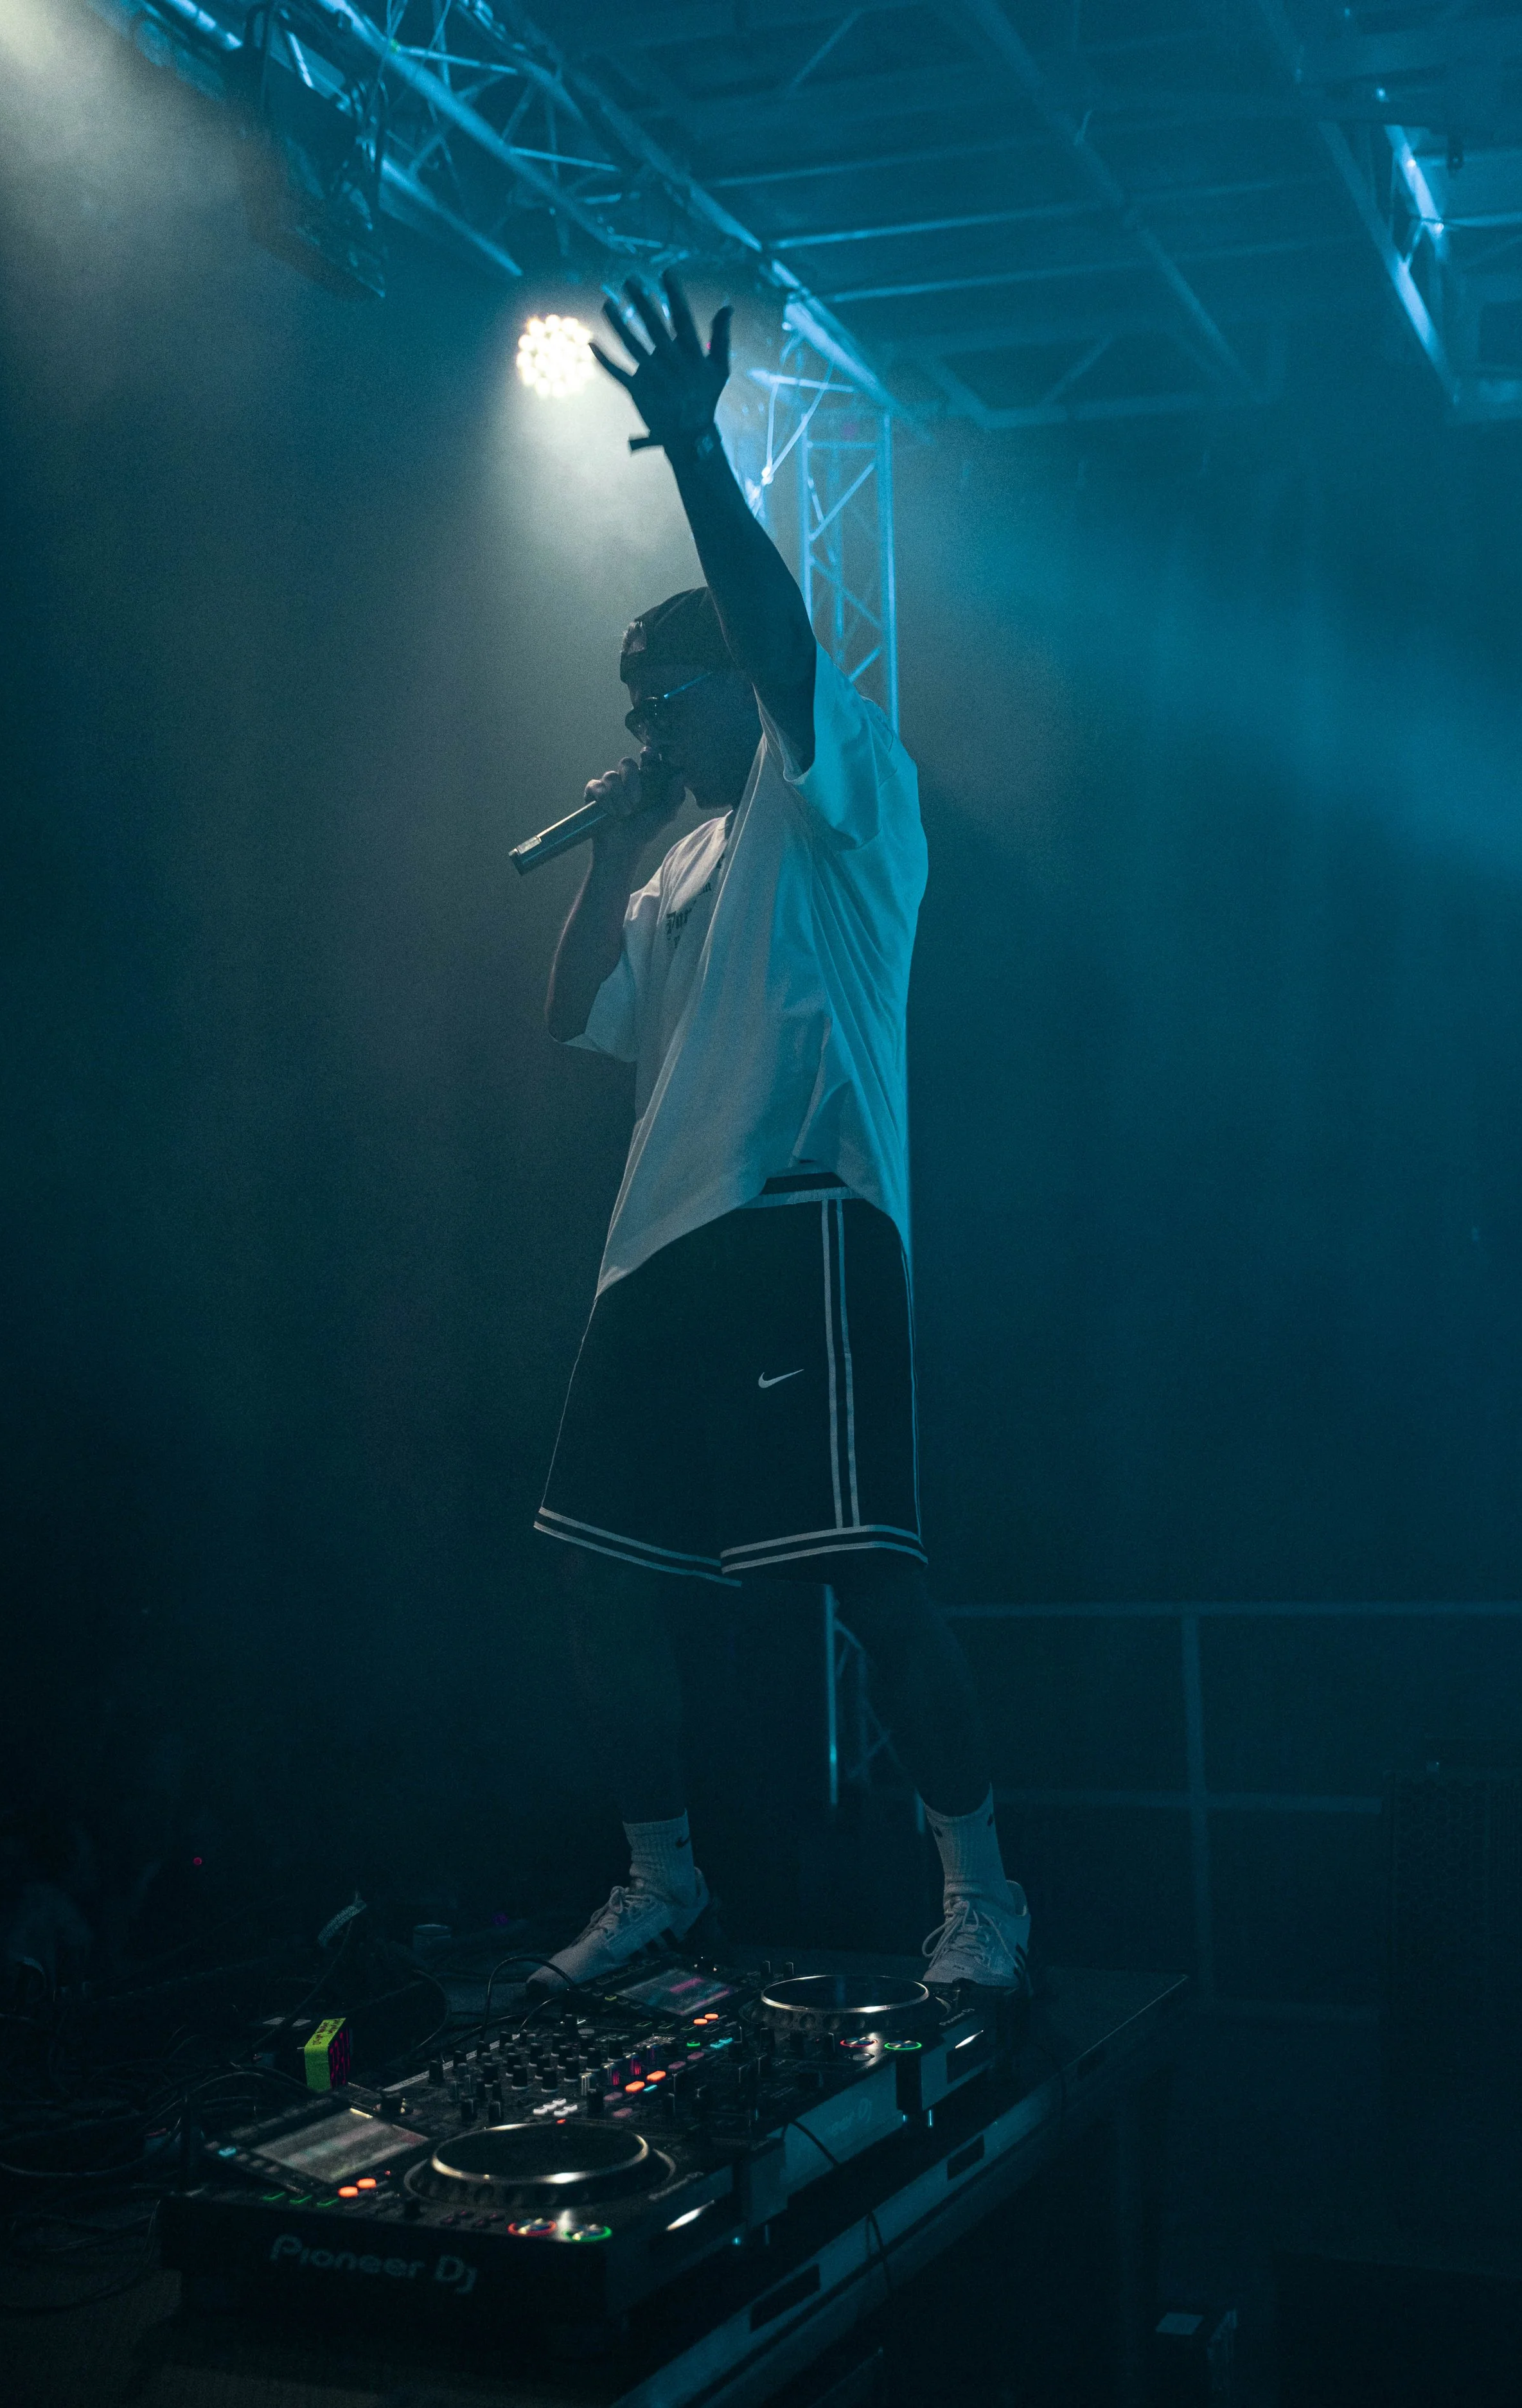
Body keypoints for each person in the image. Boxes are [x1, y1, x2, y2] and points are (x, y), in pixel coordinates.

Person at [530, 272, 1028, 2003]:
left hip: (801, 1210)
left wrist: (688, 448)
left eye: (661, 700)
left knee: (860, 1579)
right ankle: (658, 1878)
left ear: (730, 692)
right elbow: (568, 1021)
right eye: (632, 709)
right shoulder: (669, 865)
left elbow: (768, 620)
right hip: (657, 1241)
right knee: (597, 1572)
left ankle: (979, 1892)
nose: (643, 732)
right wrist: (606, 847)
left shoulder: (842, 787)